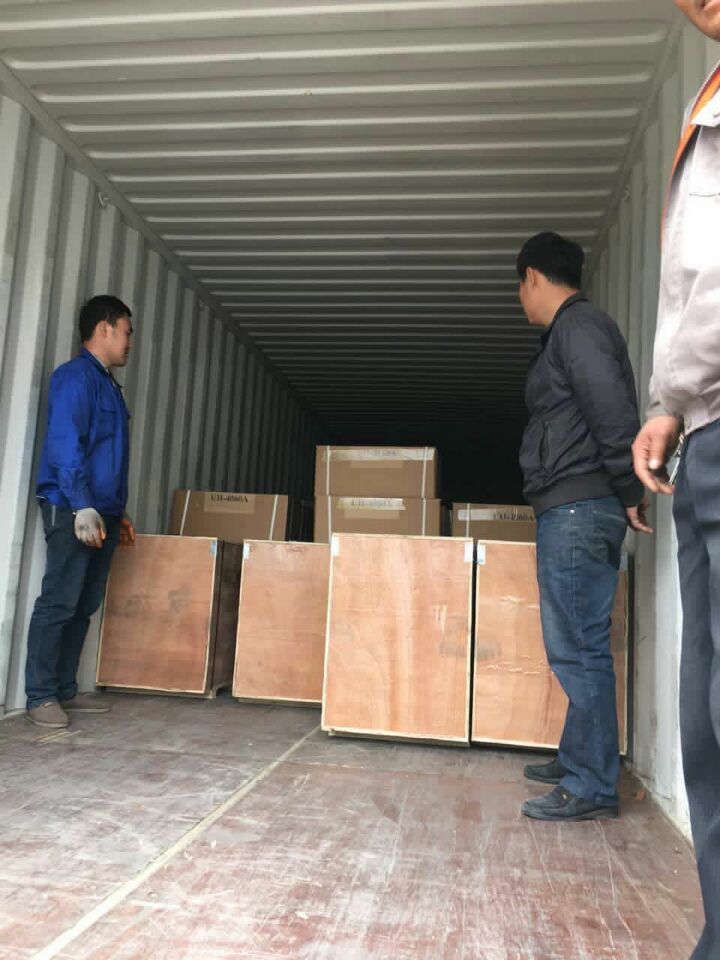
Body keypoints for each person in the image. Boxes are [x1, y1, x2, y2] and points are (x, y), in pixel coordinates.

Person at [632, 2, 720, 954]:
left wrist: (672, 395)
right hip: (703, 432)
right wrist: (672, 406)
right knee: (704, 709)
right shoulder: (706, 101)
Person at [515, 232, 649, 822]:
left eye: (519, 287)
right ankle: (579, 758)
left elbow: (611, 410)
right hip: (575, 504)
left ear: (532, 277)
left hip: (578, 506)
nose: (521, 299)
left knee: (579, 647)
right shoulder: (574, 332)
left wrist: (628, 488)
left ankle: (592, 784)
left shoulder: (579, 328)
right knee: (578, 643)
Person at [25, 295, 136, 729]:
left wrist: (113, 510)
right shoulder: (75, 378)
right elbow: (66, 444)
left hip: (100, 510)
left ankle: (65, 689)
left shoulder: (108, 385)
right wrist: (82, 505)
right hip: (72, 507)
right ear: (105, 328)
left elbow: (108, 458)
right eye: (126, 332)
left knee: (85, 602)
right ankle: (40, 695)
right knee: (60, 600)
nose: (129, 342)